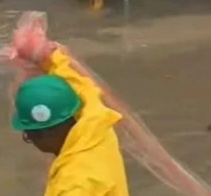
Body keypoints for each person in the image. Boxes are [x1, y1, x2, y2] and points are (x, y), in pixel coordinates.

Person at [12, 43, 129, 196]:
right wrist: (51, 58)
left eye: (28, 136)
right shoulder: (95, 119)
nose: (30, 141)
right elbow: (79, 84)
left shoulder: (74, 184)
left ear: (47, 134)